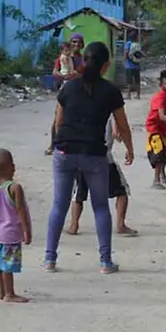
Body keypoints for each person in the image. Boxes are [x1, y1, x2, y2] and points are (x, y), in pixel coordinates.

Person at [45, 41, 134, 274]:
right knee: (100, 206)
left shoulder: (68, 88)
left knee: (59, 205)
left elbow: (58, 122)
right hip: (94, 154)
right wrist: (130, 149)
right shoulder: (110, 91)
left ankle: (50, 259)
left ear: (83, 60)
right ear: (105, 66)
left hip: (64, 152)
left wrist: (56, 144)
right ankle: (105, 262)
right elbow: (123, 126)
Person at [66, 116, 138, 237]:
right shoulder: (108, 108)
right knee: (122, 190)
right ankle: (120, 224)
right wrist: (128, 148)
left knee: (78, 194)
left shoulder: (81, 107)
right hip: (103, 158)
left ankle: (74, 225)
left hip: (82, 157)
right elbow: (117, 128)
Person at [0, 148, 32, 303]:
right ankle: (10, 293)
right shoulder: (15, 188)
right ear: (12, 167)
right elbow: (21, 210)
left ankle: (2, 292)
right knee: (8, 264)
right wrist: (26, 231)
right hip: (11, 233)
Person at [47, 33, 86, 155]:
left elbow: (87, 73)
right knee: (58, 118)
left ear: (82, 45)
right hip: (65, 90)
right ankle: (53, 144)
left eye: (79, 42)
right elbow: (55, 71)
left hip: (79, 91)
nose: (76, 44)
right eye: (74, 42)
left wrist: (78, 75)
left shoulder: (83, 59)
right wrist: (60, 75)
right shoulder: (63, 57)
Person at [125, 32, 143, 99]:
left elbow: (126, 52)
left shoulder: (128, 43)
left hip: (129, 65)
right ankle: (138, 95)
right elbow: (140, 53)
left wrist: (125, 59)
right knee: (137, 81)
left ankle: (128, 95)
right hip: (137, 65)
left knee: (129, 81)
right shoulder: (138, 44)